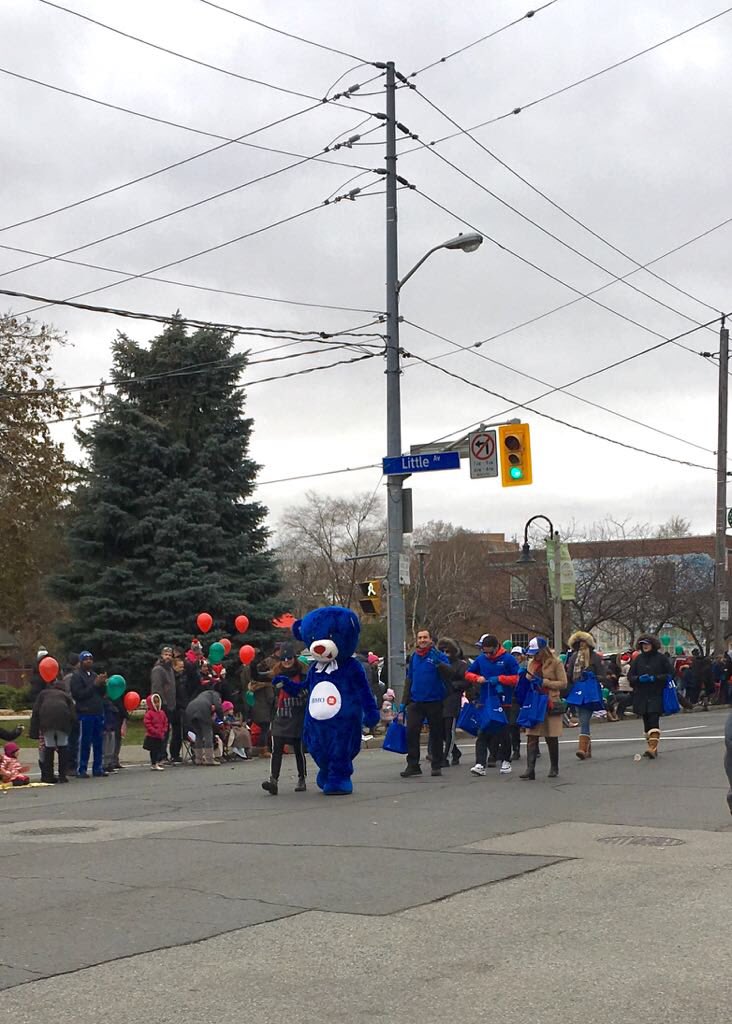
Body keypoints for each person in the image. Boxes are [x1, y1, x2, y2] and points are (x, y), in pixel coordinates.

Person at [465, 634, 520, 776]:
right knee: (483, 732)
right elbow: (468, 673)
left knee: (503, 732)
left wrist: (501, 679)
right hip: (486, 700)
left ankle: (506, 761)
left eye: (490, 652)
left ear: (497, 647)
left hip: (503, 701)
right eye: (485, 652)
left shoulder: (508, 659)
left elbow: (517, 678)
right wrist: (477, 678)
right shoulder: (481, 659)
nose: (488, 655)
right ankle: (480, 763)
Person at [400, 629, 452, 778]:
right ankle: (413, 765)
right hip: (416, 701)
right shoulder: (414, 657)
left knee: (436, 734)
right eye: (420, 638)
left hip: (434, 701)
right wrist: (404, 702)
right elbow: (409, 679)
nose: (422, 640)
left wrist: (439, 664)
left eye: (425, 638)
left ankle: (436, 764)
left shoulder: (438, 655)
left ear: (430, 640)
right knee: (411, 732)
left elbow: (450, 673)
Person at [262, 644, 309, 795]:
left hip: (297, 714)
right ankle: (273, 781)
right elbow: (274, 695)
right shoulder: (277, 674)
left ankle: (301, 778)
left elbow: (305, 692)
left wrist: (291, 687)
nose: (287, 661)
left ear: (294, 658)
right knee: (277, 749)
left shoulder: (302, 674)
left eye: (289, 658)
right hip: (281, 714)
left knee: (298, 749)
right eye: (284, 658)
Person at [519, 637, 567, 781]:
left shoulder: (556, 662)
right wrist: (525, 679)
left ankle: (554, 766)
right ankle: (530, 769)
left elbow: (563, 683)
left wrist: (545, 682)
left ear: (543, 650)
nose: (535, 656)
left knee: (551, 736)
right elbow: (527, 680)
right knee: (531, 735)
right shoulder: (531, 663)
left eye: (537, 653)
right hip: (534, 701)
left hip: (550, 701)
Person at [628, 634, 673, 759]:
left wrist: (655, 678)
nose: (645, 646)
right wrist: (638, 679)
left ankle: (652, 748)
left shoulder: (661, 658)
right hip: (641, 695)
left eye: (647, 644)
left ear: (653, 645)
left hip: (656, 693)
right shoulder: (638, 659)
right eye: (643, 644)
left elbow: (670, 674)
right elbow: (630, 677)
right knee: (646, 722)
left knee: (654, 719)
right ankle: (652, 747)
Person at [564, 630, 606, 761]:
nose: (582, 645)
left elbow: (603, 675)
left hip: (590, 691)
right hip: (578, 692)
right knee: (583, 719)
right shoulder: (573, 657)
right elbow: (569, 676)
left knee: (584, 719)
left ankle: (582, 748)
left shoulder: (595, 657)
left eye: (584, 642)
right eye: (579, 643)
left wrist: (592, 677)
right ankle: (587, 748)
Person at [29, 677, 76, 783]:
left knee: (49, 747)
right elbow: (72, 713)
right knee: (63, 747)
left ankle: (48, 776)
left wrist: (34, 731)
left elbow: (36, 711)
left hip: (46, 722)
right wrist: (72, 726)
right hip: (63, 722)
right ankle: (62, 775)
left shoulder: (43, 694)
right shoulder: (66, 696)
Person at [70, 651, 108, 778]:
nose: (89, 661)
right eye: (86, 659)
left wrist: (103, 684)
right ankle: (82, 769)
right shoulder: (77, 676)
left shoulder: (94, 675)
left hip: (98, 712)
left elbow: (101, 694)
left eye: (91, 659)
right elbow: (79, 695)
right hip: (85, 713)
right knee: (84, 742)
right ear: (81, 661)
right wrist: (94, 685)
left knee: (98, 742)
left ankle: (98, 768)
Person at [436, 638, 467, 767]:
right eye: (442, 651)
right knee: (441, 730)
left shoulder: (461, 665)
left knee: (449, 729)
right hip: (439, 699)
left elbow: (466, 682)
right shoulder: (438, 664)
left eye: (448, 651)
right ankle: (455, 751)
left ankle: (446, 757)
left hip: (453, 699)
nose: (445, 654)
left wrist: (454, 686)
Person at [150, 646, 178, 762]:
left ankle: (163, 754)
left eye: (170, 655)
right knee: (161, 732)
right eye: (166, 654)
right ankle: (159, 756)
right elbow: (157, 688)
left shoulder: (170, 669)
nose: (168, 657)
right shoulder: (158, 669)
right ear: (162, 655)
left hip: (171, 704)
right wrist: (161, 704)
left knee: (166, 732)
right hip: (162, 705)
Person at [185, 688, 222, 766]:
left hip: (190, 708)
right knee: (208, 733)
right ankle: (209, 759)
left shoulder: (203, 694)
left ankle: (198, 759)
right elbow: (218, 706)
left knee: (198, 734)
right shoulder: (215, 694)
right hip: (202, 709)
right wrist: (221, 719)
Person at [248, 662, 276, 758]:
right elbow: (270, 698)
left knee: (261, 730)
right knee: (265, 730)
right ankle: (263, 750)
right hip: (265, 711)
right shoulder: (267, 686)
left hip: (255, 710)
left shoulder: (253, 686)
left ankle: (259, 749)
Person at [144, 692, 169, 771]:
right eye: (155, 702)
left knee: (160, 749)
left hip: (160, 735)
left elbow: (165, 722)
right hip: (152, 736)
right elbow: (148, 724)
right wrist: (154, 731)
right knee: (154, 750)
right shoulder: (149, 713)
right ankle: (154, 763)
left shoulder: (162, 712)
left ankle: (158, 762)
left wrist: (164, 730)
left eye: (158, 702)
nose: (157, 704)